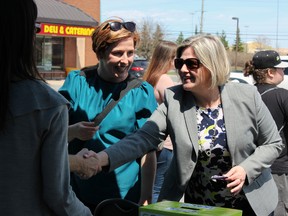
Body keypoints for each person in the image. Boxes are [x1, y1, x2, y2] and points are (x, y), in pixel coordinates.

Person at [93, 34, 284, 216]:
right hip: (200, 206)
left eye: (192, 63)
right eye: (179, 63)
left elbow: (273, 143)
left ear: (212, 64)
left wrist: (246, 169)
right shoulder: (174, 99)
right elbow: (142, 138)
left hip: (249, 204)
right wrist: (101, 159)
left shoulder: (247, 96)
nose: (183, 69)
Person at [0, 1, 92, 215]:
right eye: (35, 28)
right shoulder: (47, 103)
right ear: (25, 37)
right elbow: (58, 196)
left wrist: (70, 133)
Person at [58, 18, 157, 212]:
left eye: (130, 53)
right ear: (100, 52)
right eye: (117, 53)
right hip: (75, 193)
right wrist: (74, 131)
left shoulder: (141, 92)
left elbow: (148, 148)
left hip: (122, 197)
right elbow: (52, 133)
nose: (126, 60)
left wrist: (146, 195)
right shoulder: (77, 82)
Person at [243, 50, 288, 216]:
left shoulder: (246, 95)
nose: (283, 71)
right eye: (281, 69)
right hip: (277, 168)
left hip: (248, 166)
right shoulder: (283, 96)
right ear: (270, 72)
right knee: (278, 210)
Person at [142, 40, 177, 203]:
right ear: (168, 58)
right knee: (159, 190)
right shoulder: (165, 80)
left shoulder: (149, 77)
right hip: (165, 145)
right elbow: (176, 111)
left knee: (149, 189)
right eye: (175, 58)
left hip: (151, 142)